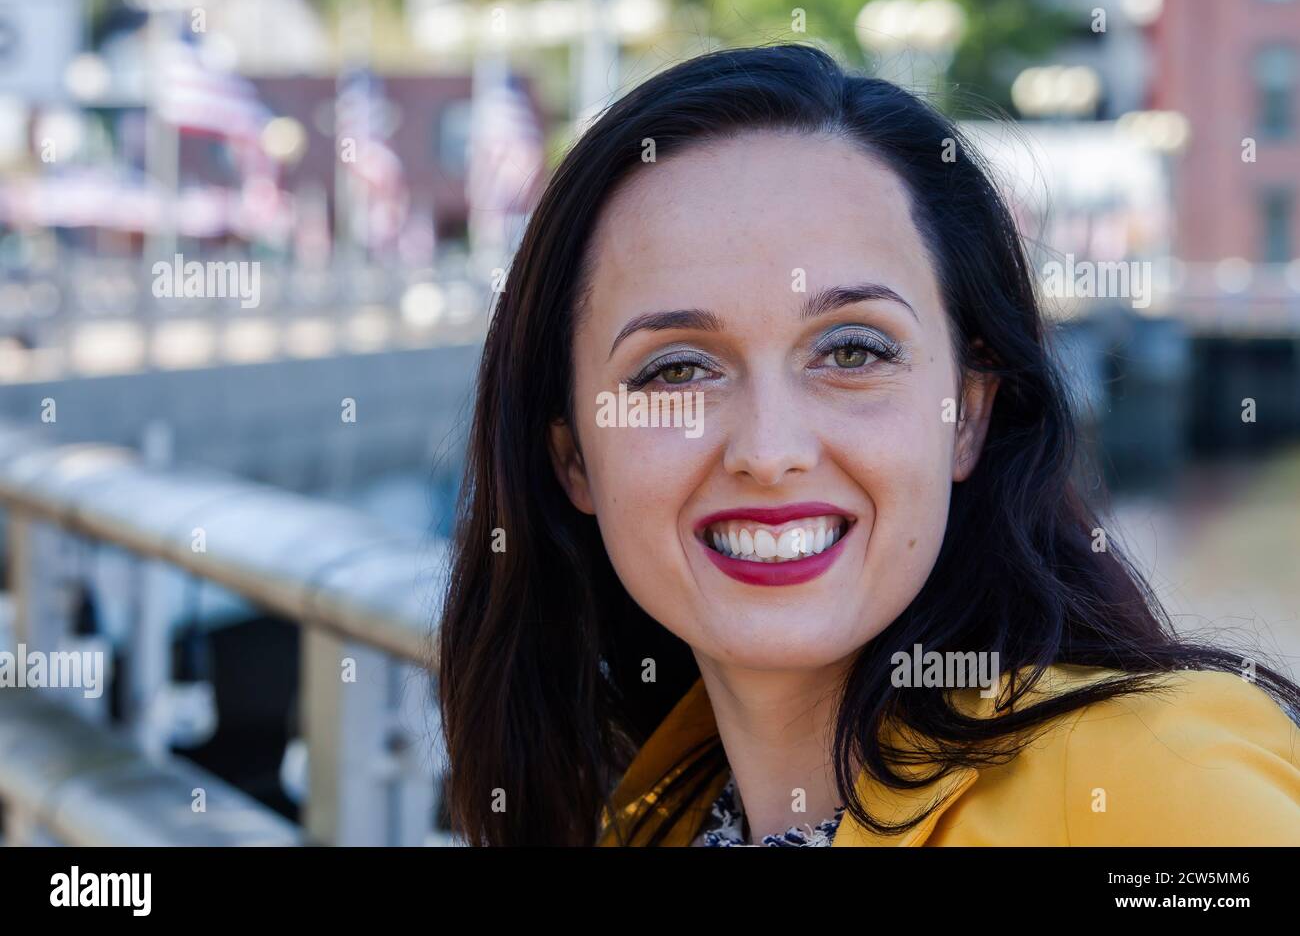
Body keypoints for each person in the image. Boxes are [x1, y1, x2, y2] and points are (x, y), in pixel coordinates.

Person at [437, 44, 1300, 846]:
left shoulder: (1163, 788)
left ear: (967, 412)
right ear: (573, 455)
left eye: (853, 351)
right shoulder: (645, 818)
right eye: (676, 370)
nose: (769, 451)